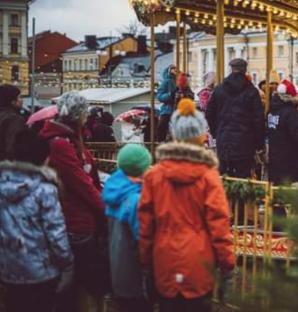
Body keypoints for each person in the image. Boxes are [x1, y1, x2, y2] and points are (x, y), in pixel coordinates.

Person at [138, 99, 235, 312]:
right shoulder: (209, 177)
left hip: (164, 261)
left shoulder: (154, 176)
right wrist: (227, 264)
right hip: (199, 263)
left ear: (175, 134)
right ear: (201, 136)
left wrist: (145, 263)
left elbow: (146, 226)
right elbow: (219, 226)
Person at [39, 92, 109, 312]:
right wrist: (105, 209)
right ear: (78, 115)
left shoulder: (70, 139)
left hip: (80, 218)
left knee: (82, 282)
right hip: (75, 221)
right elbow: (81, 184)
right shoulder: (61, 144)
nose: (87, 117)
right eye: (85, 113)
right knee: (81, 282)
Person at [0, 129, 74, 312]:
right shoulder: (45, 190)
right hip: (41, 270)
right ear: (44, 159)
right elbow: (56, 233)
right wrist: (67, 263)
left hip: (8, 269)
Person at [102, 144, 153, 312]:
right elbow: (143, 239)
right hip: (135, 277)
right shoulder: (135, 199)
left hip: (117, 271)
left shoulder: (115, 190)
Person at [206, 59, 265, 177]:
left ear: (231, 69)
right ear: (245, 71)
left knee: (223, 176)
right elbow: (258, 119)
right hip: (245, 142)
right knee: (242, 177)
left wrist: (216, 132)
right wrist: (259, 143)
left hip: (224, 140)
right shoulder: (251, 91)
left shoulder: (219, 89)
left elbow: (209, 113)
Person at [267, 83, 298, 184]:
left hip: (274, 157)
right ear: (290, 96)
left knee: (276, 188)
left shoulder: (271, 111)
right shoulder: (290, 113)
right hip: (289, 160)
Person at [0, 84, 27, 161]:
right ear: (12, 101)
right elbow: (12, 147)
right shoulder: (14, 119)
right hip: (6, 167)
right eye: (20, 97)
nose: (22, 100)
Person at [157, 65, 179, 142]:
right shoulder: (166, 82)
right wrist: (170, 95)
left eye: (176, 69)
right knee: (162, 125)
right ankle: (161, 141)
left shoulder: (179, 81)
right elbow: (159, 96)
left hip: (178, 108)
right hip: (168, 108)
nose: (175, 70)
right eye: (173, 69)